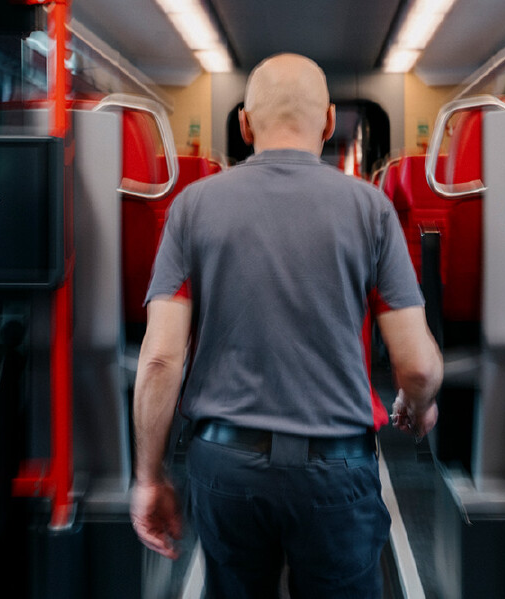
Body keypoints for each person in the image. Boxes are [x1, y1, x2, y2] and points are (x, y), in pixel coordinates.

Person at [131, 53, 443, 598]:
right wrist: (417, 405)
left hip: (225, 467)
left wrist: (148, 477)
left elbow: (160, 360)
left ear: (246, 125)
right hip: (336, 469)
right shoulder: (370, 209)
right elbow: (415, 366)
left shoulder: (191, 206)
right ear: (327, 121)